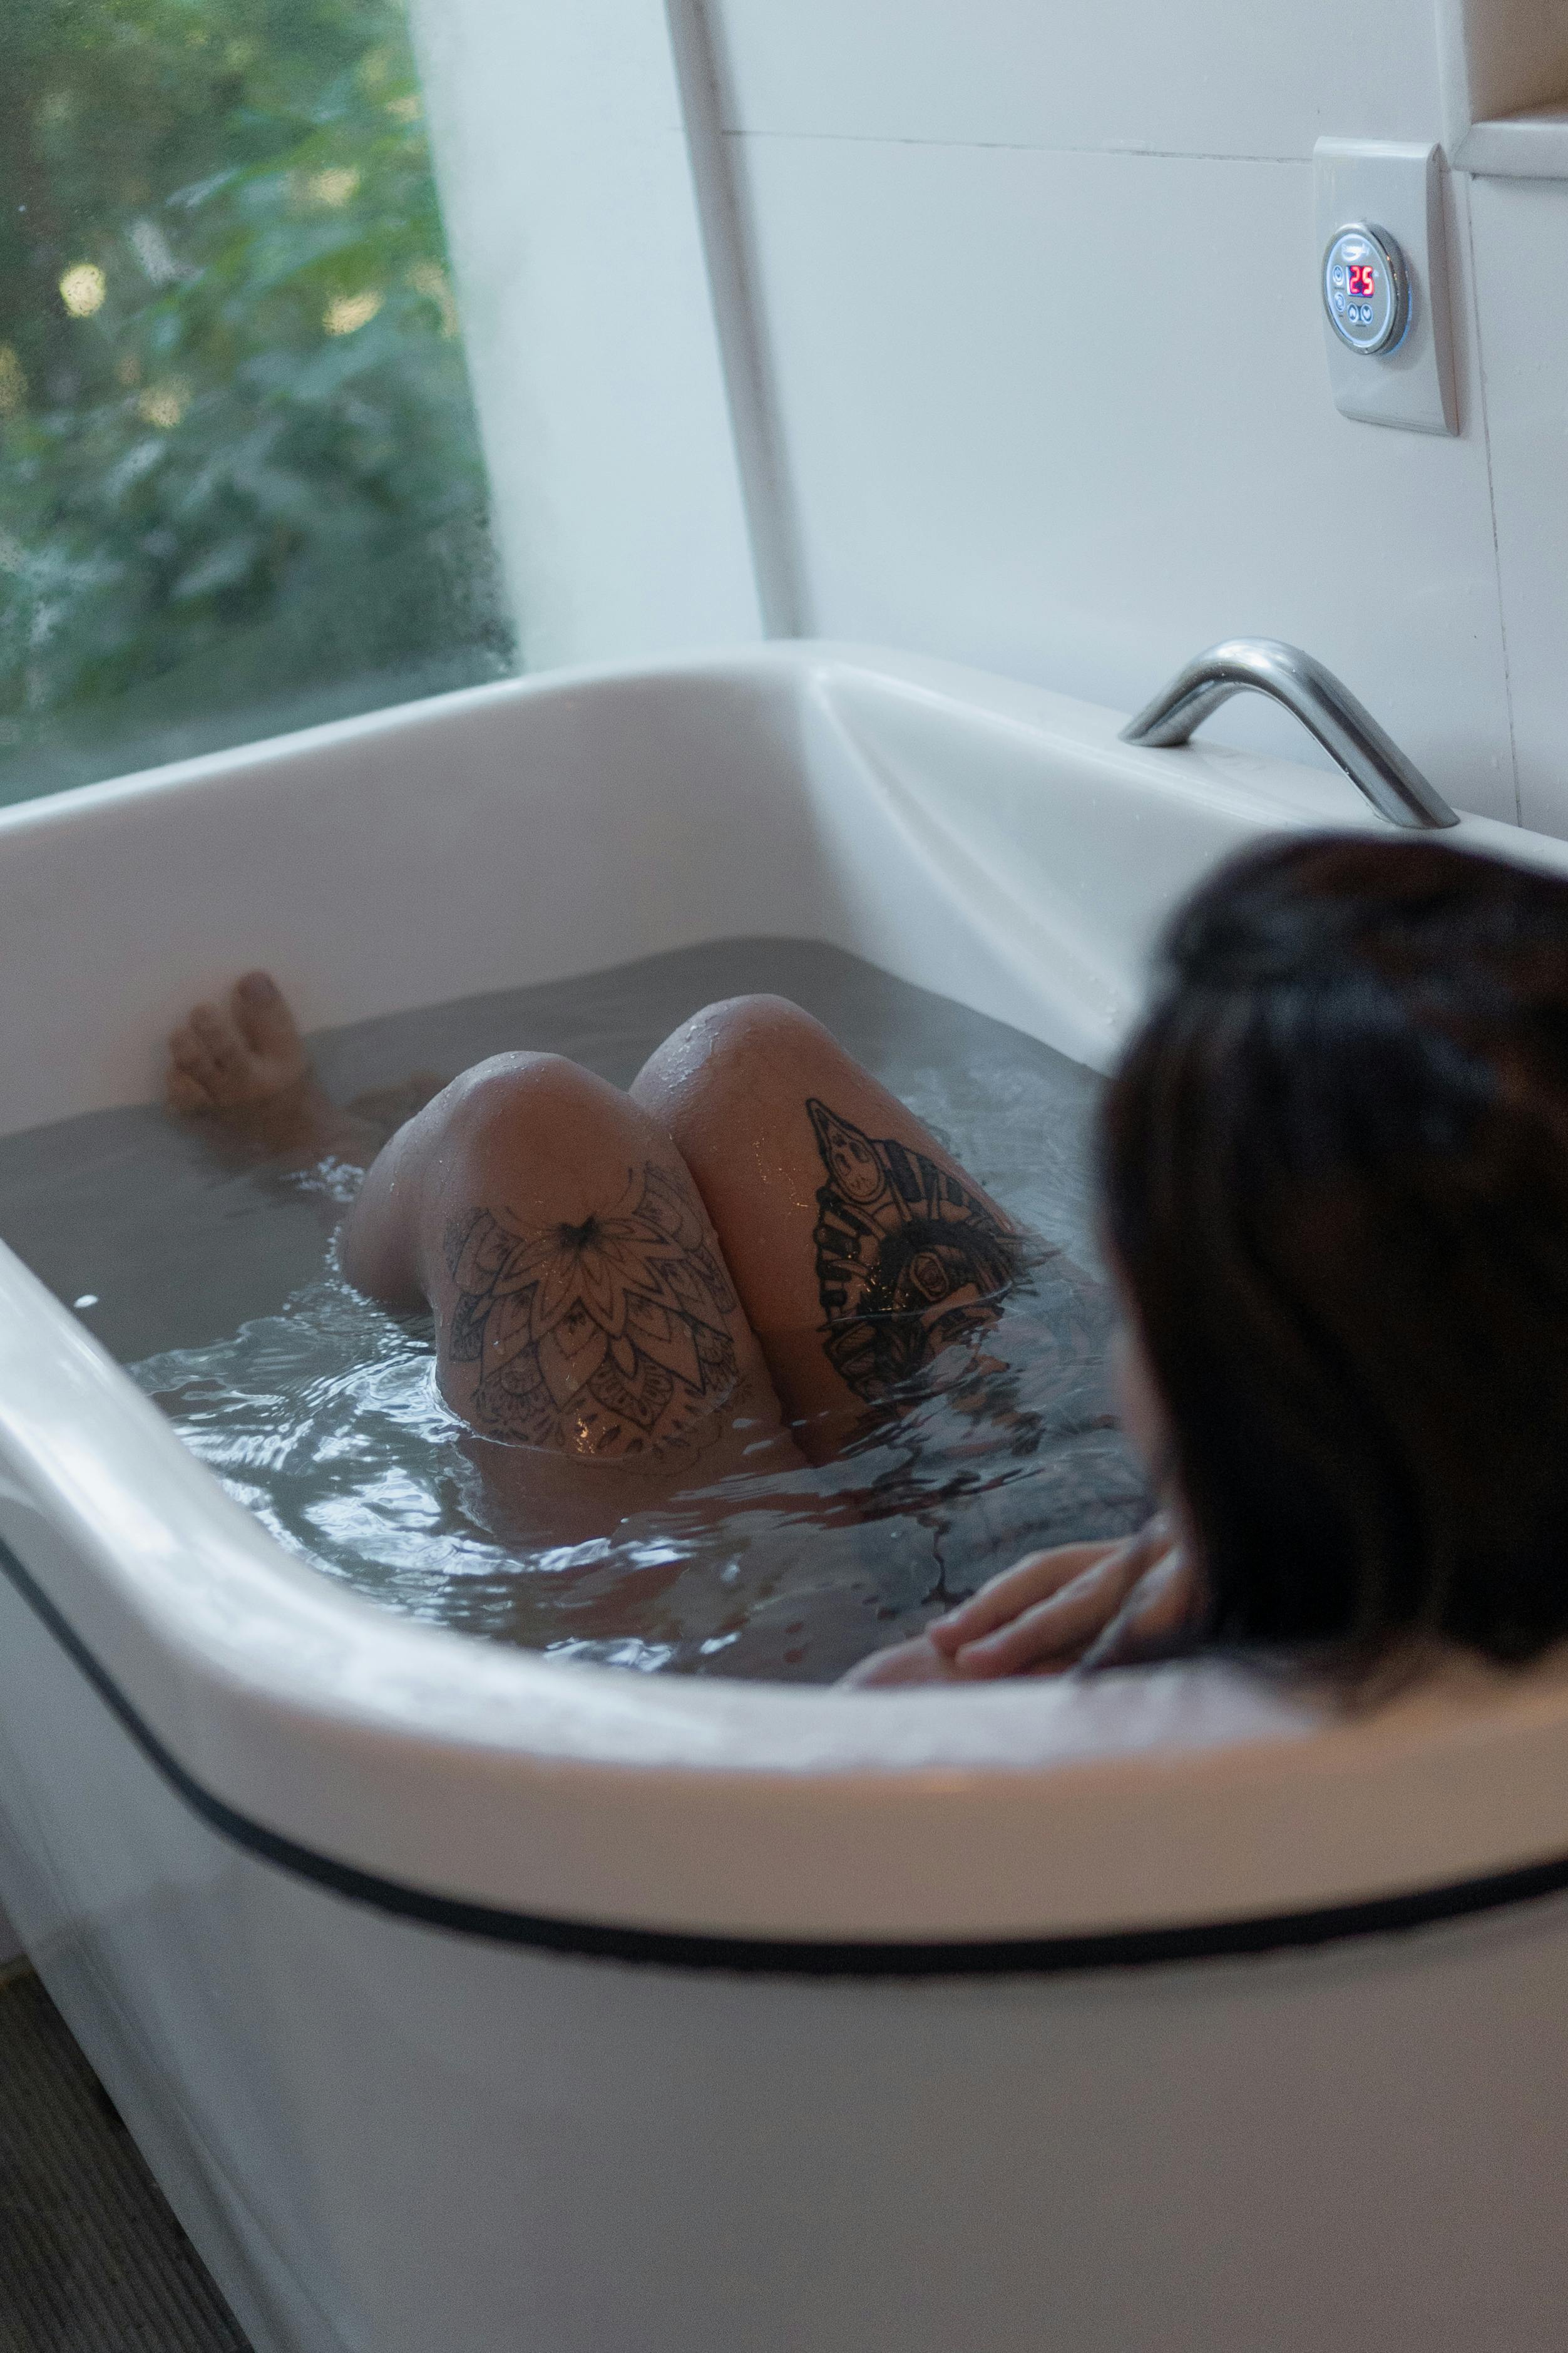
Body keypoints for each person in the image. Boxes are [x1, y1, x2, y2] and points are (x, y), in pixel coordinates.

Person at [853, 830, 1568, 1687]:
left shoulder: (960, 1735)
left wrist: (894, 1702)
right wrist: (1265, 1558)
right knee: (749, 1051)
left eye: (1132, 1314)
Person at [164, 974, 1032, 1553]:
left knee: (517, 1127)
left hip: (796, 1687)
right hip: (1096, 1503)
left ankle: (331, 1166)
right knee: (740, 1061)